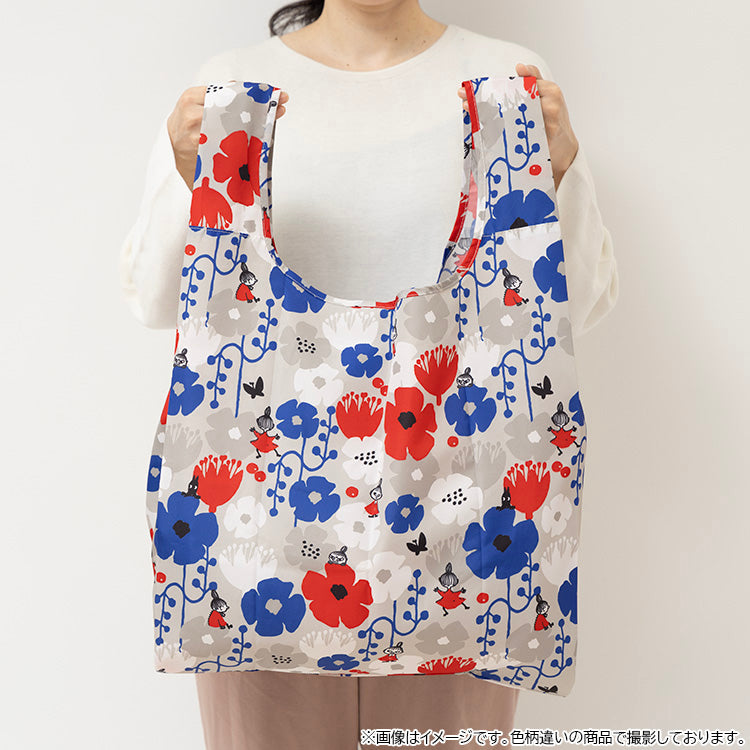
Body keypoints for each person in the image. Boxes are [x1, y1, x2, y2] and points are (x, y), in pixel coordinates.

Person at [120, 2, 619, 748]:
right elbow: (160, 302)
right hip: (261, 574)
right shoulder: (232, 86)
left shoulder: (507, 82)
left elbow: (572, 308)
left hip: (457, 561)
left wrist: (561, 170)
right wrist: (185, 173)